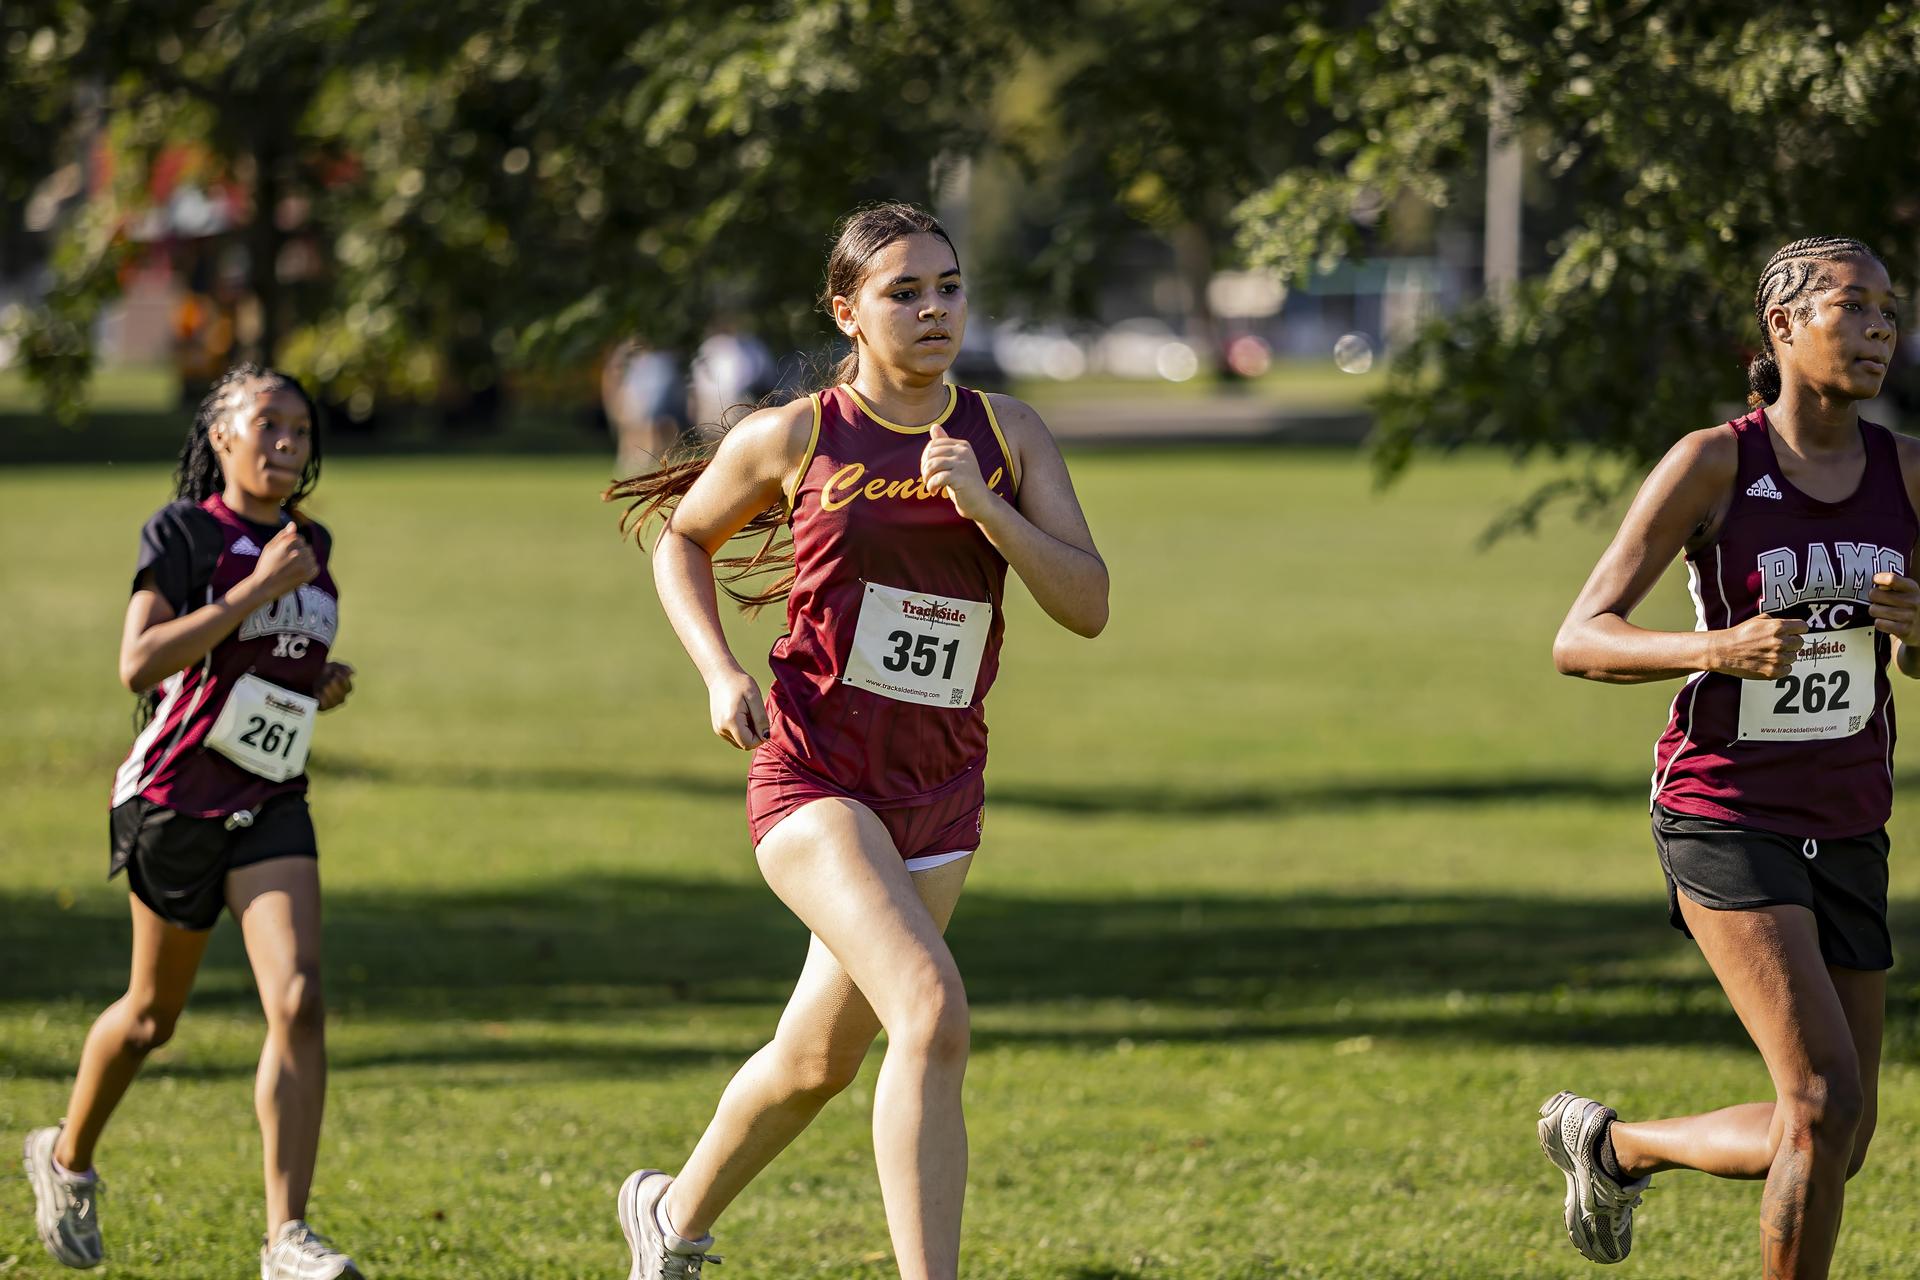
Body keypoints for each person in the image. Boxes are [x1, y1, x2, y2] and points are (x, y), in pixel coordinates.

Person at [603, 202, 1109, 1280]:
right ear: (848, 310)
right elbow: (686, 539)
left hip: (940, 791)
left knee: (817, 1058)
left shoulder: (1007, 433)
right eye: (904, 291)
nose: (935, 310)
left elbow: (1089, 601)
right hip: (815, 777)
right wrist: (719, 670)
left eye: (949, 286)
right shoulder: (797, 434)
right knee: (929, 1010)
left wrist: (989, 510)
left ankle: (669, 1218)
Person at [1544, 236, 1910, 1278]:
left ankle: (1614, 1145)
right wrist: (1716, 646)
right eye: (1855, 307)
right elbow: (1581, 635)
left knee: (1840, 1133)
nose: (1882, 327)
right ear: (1783, 327)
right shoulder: (1716, 460)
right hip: (1724, 803)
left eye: (1891, 309)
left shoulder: (1908, 470)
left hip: (1849, 812)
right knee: (1821, 1102)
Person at [23, 364, 364, 1280]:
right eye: (270, 426)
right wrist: (255, 592)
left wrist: (313, 683)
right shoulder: (182, 533)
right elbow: (140, 663)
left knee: (297, 999)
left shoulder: (311, 541)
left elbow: (265, 667)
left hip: (273, 799)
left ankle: (286, 1237)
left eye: (302, 429)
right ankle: (66, 1158)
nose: (289, 445)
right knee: (150, 1017)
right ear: (222, 435)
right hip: (174, 799)